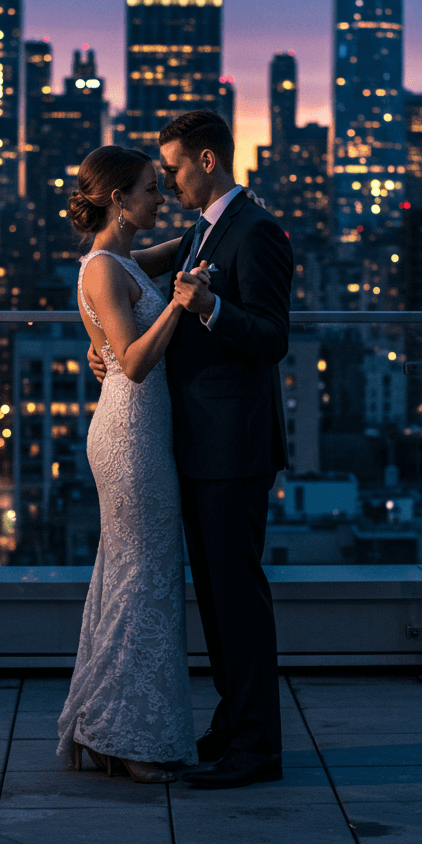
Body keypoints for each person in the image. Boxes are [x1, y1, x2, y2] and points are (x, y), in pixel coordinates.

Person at [90, 110, 294, 789]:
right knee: (215, 599)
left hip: (233, 446)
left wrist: (207, 309)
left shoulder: (257, 232)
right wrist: (105, 348)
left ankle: (257, 749)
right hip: (192, 445)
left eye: (172, 168)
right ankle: (234, 727)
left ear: (207, 160)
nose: (167, 180)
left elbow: (271, 337)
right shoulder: (202, 233)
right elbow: (113, 270)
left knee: (238, 600)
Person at [55, 145, 204, 783]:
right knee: (144, 576)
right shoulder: (101, 271)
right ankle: (126, 737)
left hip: (138, 428)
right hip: (130, 432)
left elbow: (169, 251)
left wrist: (214, 222)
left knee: (134, 576)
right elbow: (135, 363)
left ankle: (106, 729)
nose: (159, 196)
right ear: (118, 199)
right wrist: (180, 305)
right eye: (149, 188)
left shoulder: (117, 259)